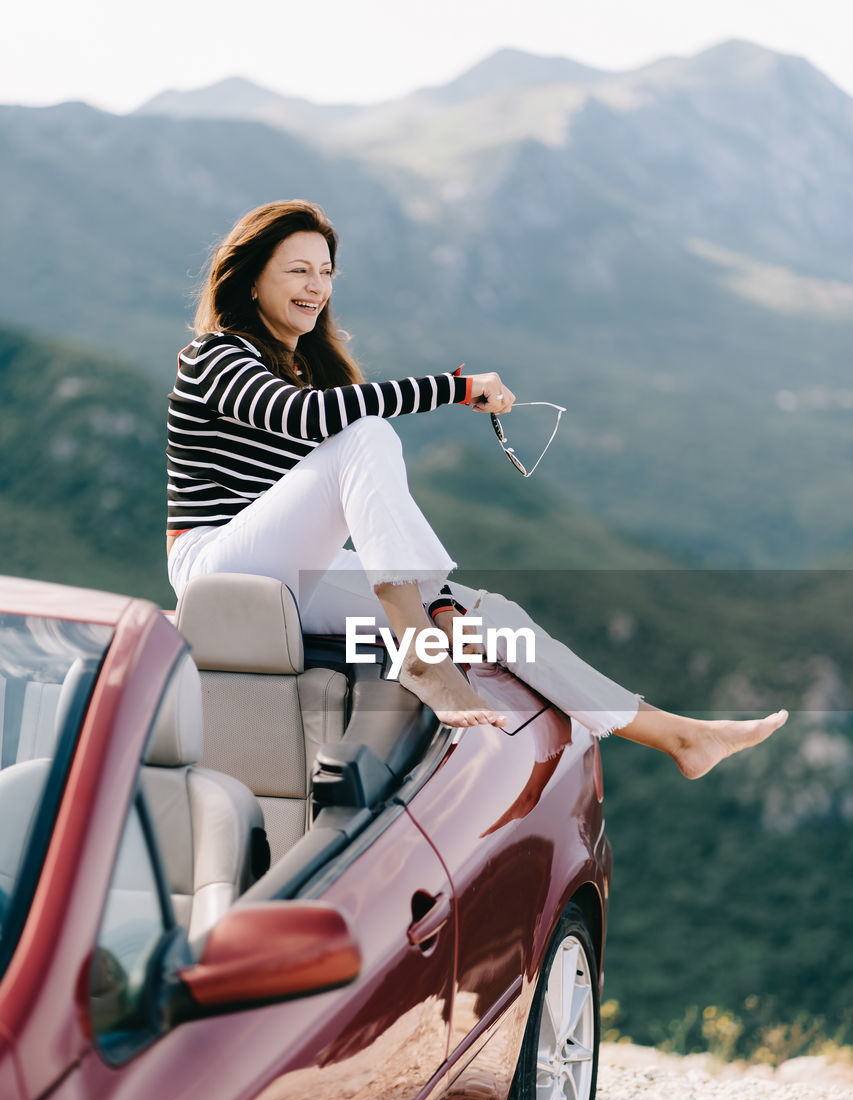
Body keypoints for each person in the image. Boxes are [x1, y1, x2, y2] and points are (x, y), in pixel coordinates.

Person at [166, 199, 787, 777]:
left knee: (487, 616)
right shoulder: (212, 355)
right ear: (251, 279)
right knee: (366, 435)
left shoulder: (305, 367)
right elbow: (311, 419)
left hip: (289, 576)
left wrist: (438, 600)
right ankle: (419, 652)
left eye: (325, 272)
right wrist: (456, 387)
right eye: (297, 270)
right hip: (218, 568)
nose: (316, 287)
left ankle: (677, 736)